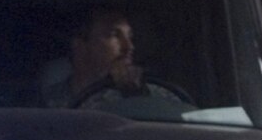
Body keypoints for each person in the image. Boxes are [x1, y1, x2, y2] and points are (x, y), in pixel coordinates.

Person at [40, 6, 187, 118]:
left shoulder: (158, 95)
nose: (129, 47)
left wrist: (137, 99)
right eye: (114, 35)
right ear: (80, 46)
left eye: (130, 37)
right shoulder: (47, 103)